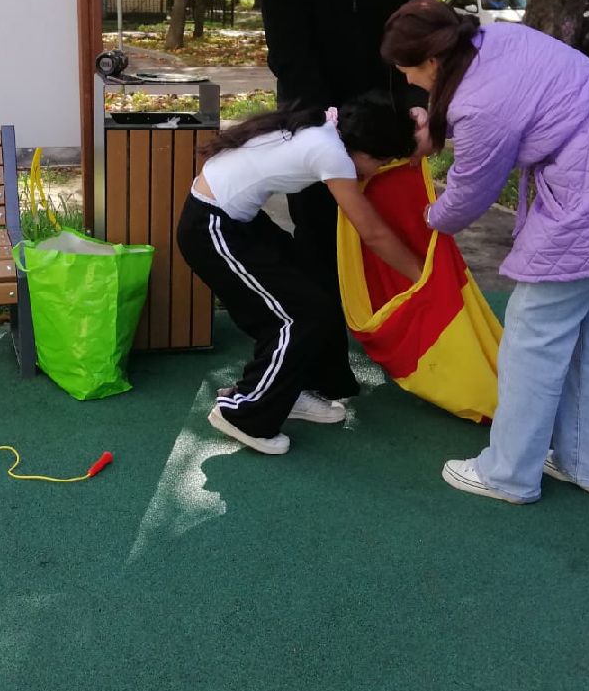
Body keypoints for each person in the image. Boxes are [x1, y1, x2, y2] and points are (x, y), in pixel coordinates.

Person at [380, 0, 589, 504]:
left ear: (432, 61)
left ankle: (508, 473)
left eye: (410, 75)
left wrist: (428, 217)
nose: (412, 86)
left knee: (534, 336)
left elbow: (468, 196)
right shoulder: (502, 38)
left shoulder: (474, 102)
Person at [255, 0, 436, 361]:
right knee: (318, 235)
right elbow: (291, 57)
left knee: (400, 220)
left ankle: (409, 339)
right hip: (314, 111)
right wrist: (327, 136)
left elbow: (422, 18)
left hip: (391, 105)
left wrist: (420, 104)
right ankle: (322, 363)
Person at [176, 95, 423, 456]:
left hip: (238, 221)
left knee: (313, 294)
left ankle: (288, 392)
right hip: (212, 229)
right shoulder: (331, 152)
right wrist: (422, 276)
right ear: (363, 148)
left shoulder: (327, 129)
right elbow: (372, 231)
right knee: (296, 316)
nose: (374, 171)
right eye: (379, 161)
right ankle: (246, 416)